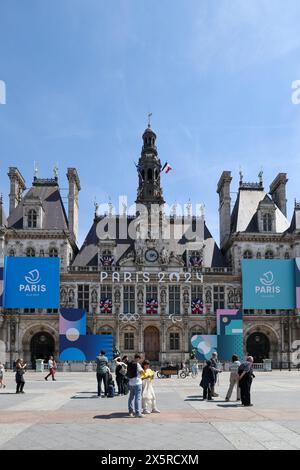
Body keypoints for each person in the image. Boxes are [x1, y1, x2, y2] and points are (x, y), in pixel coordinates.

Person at [127, 354, 144, 418]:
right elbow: (141, 372)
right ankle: (137, 413)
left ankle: (130, 411)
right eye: (139, 359)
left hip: (131, 383)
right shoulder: (137, 364)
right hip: (137, 383)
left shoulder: (129, 363)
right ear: (138, 358)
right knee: (137, 398)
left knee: (131, 397)